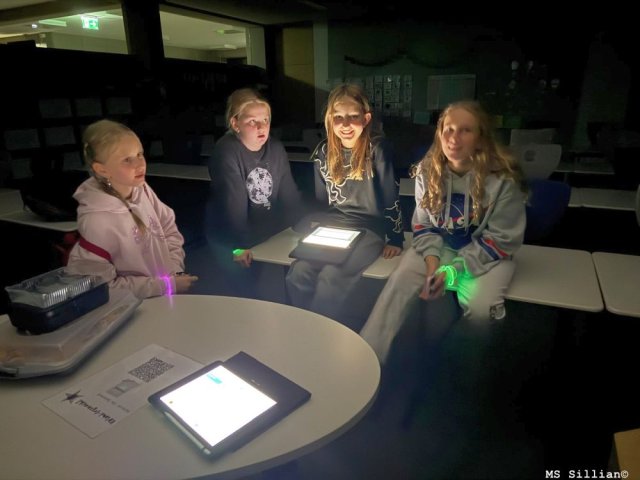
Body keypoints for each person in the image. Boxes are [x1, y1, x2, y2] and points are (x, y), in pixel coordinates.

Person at [360, 100, 527, 365]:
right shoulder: (428, 171)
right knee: (398, 284)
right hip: (442, 245)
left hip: (489, 254)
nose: (453, 138)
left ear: (481, 138)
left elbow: (502, 239)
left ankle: (466, 367)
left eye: (465, 130)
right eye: (448, 129)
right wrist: (432, 263)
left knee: (481, 310)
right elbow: (424, 225)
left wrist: (453, 270)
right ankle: (366, 361)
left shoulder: (502, 181)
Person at [285, 83, 404, 325]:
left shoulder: (378, 150)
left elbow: (390, 197)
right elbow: (322, 201)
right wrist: (314, 229)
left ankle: (321, 332)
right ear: (330, 119)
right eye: (338, 117)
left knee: (331, 277)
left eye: (353, 117)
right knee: (298, 272)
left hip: (369, 228)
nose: (345, 124)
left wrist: (396, 238)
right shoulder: (323, 152)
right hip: (334, 226)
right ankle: (302, 327)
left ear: (366, 118)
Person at [66, 119, 198, 299]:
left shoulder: (142, 189)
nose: (140, 164)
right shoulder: (96, 221)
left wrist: (174, 271)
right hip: (135, 308)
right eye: (127, 160)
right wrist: (164, 285)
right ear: (102, 170)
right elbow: (103, 288)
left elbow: (168, 228)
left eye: (139, 154)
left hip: (165, 298)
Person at [205, 88, 303, 297]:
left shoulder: (275, 148)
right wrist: (238, 246)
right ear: (235, 124)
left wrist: (302, 227)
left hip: (264, 231)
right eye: (252, 121)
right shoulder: (226, 151)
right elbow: (233, 203)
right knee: (245, 292)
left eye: (265, 120)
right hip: (229, 235)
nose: (261, 127)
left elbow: (289, 194)